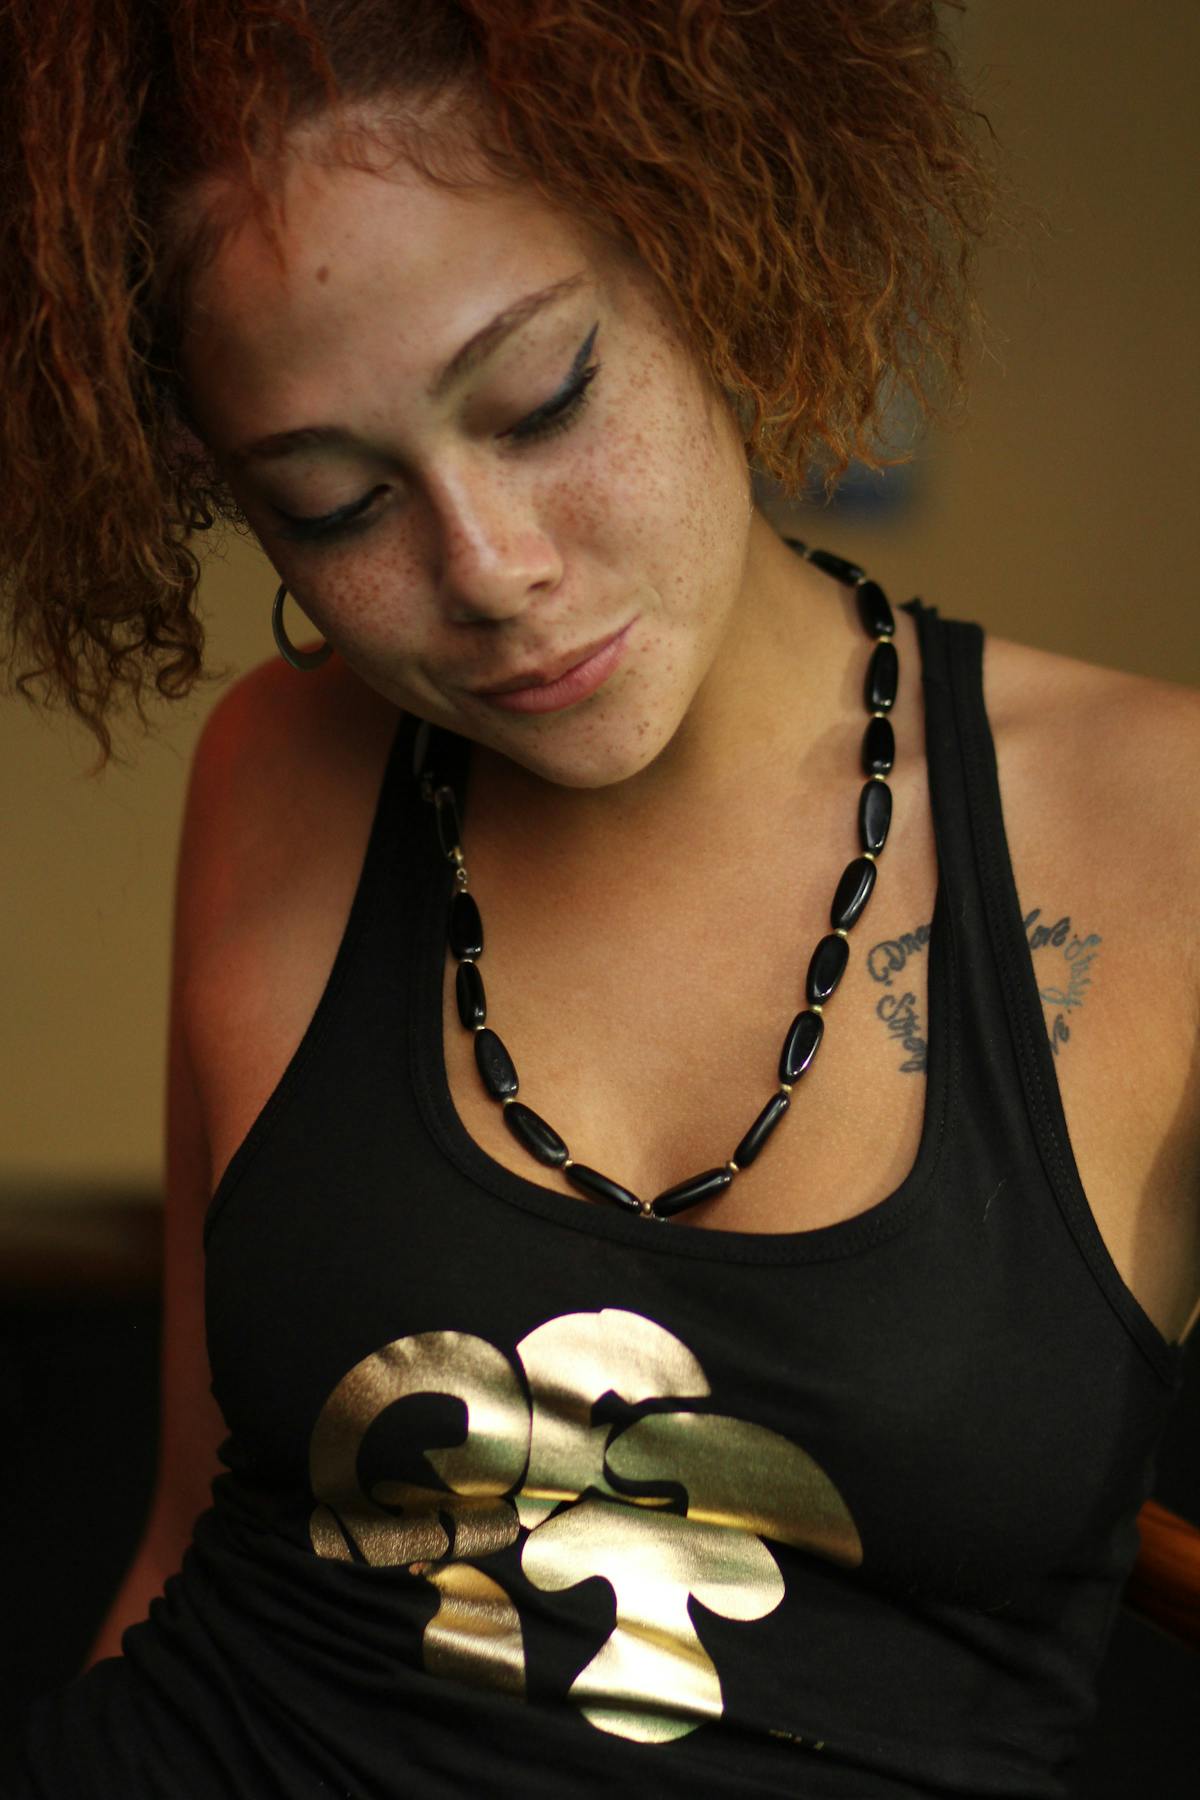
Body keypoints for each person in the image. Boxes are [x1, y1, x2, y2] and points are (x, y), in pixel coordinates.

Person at [2, 2, 1198, 1795]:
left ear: (713, 247)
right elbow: (194, 1527)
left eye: (543, 395)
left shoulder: (1166, 836)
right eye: (332, 505)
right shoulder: (285, 768)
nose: (488, 572)